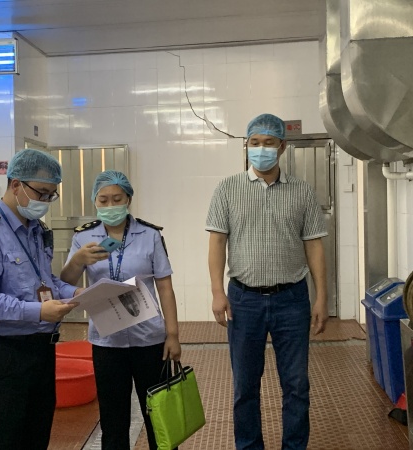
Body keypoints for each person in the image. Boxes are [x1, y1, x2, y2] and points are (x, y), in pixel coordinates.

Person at [206, 113, 328, 450]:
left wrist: (322, 297)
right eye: (255, 143)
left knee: (296, 385)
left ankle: (294, 446)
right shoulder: (228, 189)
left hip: (292, 300)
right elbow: (217, 243)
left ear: (282, 147)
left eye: (269, 143)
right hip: (243, 300)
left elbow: (314, 246)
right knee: (245, 386)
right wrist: (217, 292)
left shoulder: (302, 191)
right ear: (246, 145)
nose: (261, 149)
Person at [0, 148, 80, 450]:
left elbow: (45, 280)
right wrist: (38, 312)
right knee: (6, 441)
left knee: (37, 438)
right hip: (6, 355)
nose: (45, 201)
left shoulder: (36, 230)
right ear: (16, 185)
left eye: (51, 195)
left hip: (41, 351)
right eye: (41, 193)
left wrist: (74, 293)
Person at [60, 170, 181, 450]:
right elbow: (66, 282)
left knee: (159, 418)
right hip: (107, 341)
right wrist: (77, 260)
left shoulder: (149, 235)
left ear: (128, 199)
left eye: (117, 199)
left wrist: (173, 335)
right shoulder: (84, 237)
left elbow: (165, 286)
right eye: (103, 200)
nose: (111, 205)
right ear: (95, 201)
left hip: (149, 338)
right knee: (113, 421)